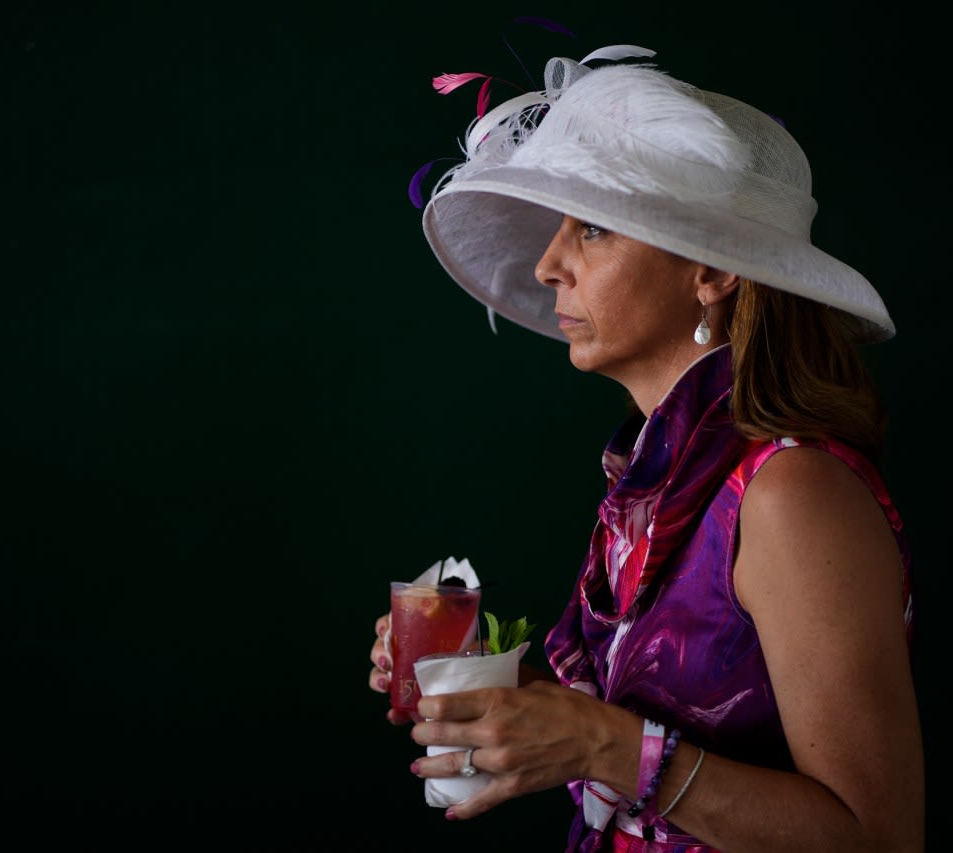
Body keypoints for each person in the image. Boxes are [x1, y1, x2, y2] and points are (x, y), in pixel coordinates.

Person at [368, 41, 922, 853]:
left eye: (591, 229)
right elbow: (641, 729)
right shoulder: (654, 482)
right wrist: (509, 697)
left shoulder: (790, 493)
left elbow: (877, 837)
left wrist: (600, 744)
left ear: (709, 271)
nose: (550, 263)